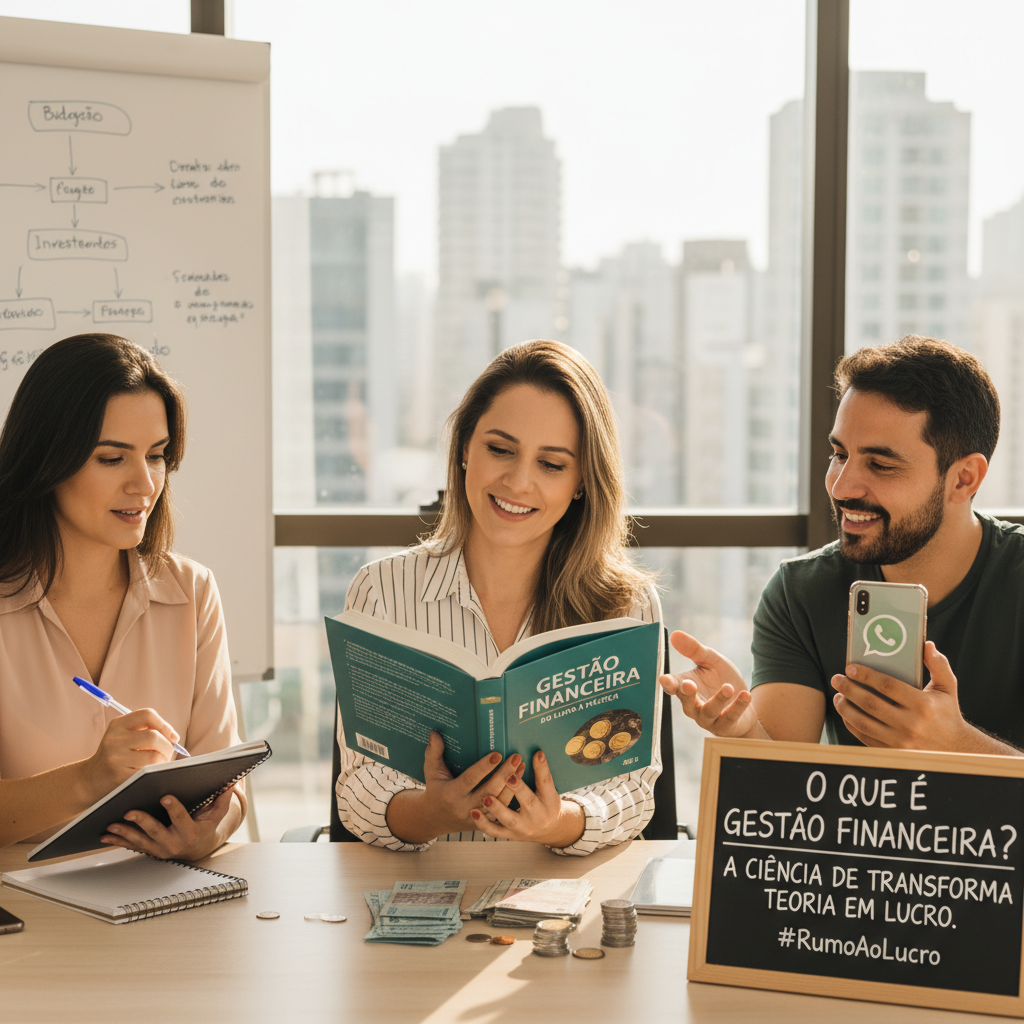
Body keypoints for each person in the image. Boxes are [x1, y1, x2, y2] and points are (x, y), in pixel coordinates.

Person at [336, 340, 662, 854]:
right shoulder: (381, 591)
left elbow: (635, 791)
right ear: (465, 448)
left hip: (560, 902)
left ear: (581, 481)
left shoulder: (626, 605)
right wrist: (433, 813)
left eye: (552, 464)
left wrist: (556, 824)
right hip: (424, 891)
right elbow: (357, 790)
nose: (518, 481)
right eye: (500, 449)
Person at [661, 335, 1024, 754]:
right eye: (839, 454)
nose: (842, 485)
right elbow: (784, 783)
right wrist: (745, 732)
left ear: (963, 479)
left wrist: (957, 744)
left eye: (881, 464)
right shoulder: (801, 592)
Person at [0, 333, 245, 857]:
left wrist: (207, 833)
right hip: (22, 913)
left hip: (155, 896)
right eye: (112, 458)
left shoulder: (192, 592)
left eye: (156, 456)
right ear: (48, 460)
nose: (145, 484)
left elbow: (228, 780)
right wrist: (87, 781)